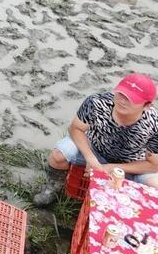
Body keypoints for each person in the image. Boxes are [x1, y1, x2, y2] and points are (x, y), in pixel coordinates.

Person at [34, 74, 158, 206]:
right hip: (95, 148)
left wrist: (110, 167)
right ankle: (53, 186)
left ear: (146, 105)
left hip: (130, 164)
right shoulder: (97, 102)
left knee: (154, 185)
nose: (122, 101)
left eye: (131, 99)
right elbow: (75, 129)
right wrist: (90, 157)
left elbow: (153, 164)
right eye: (121, 94)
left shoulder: (154, 124)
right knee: (59, 155)